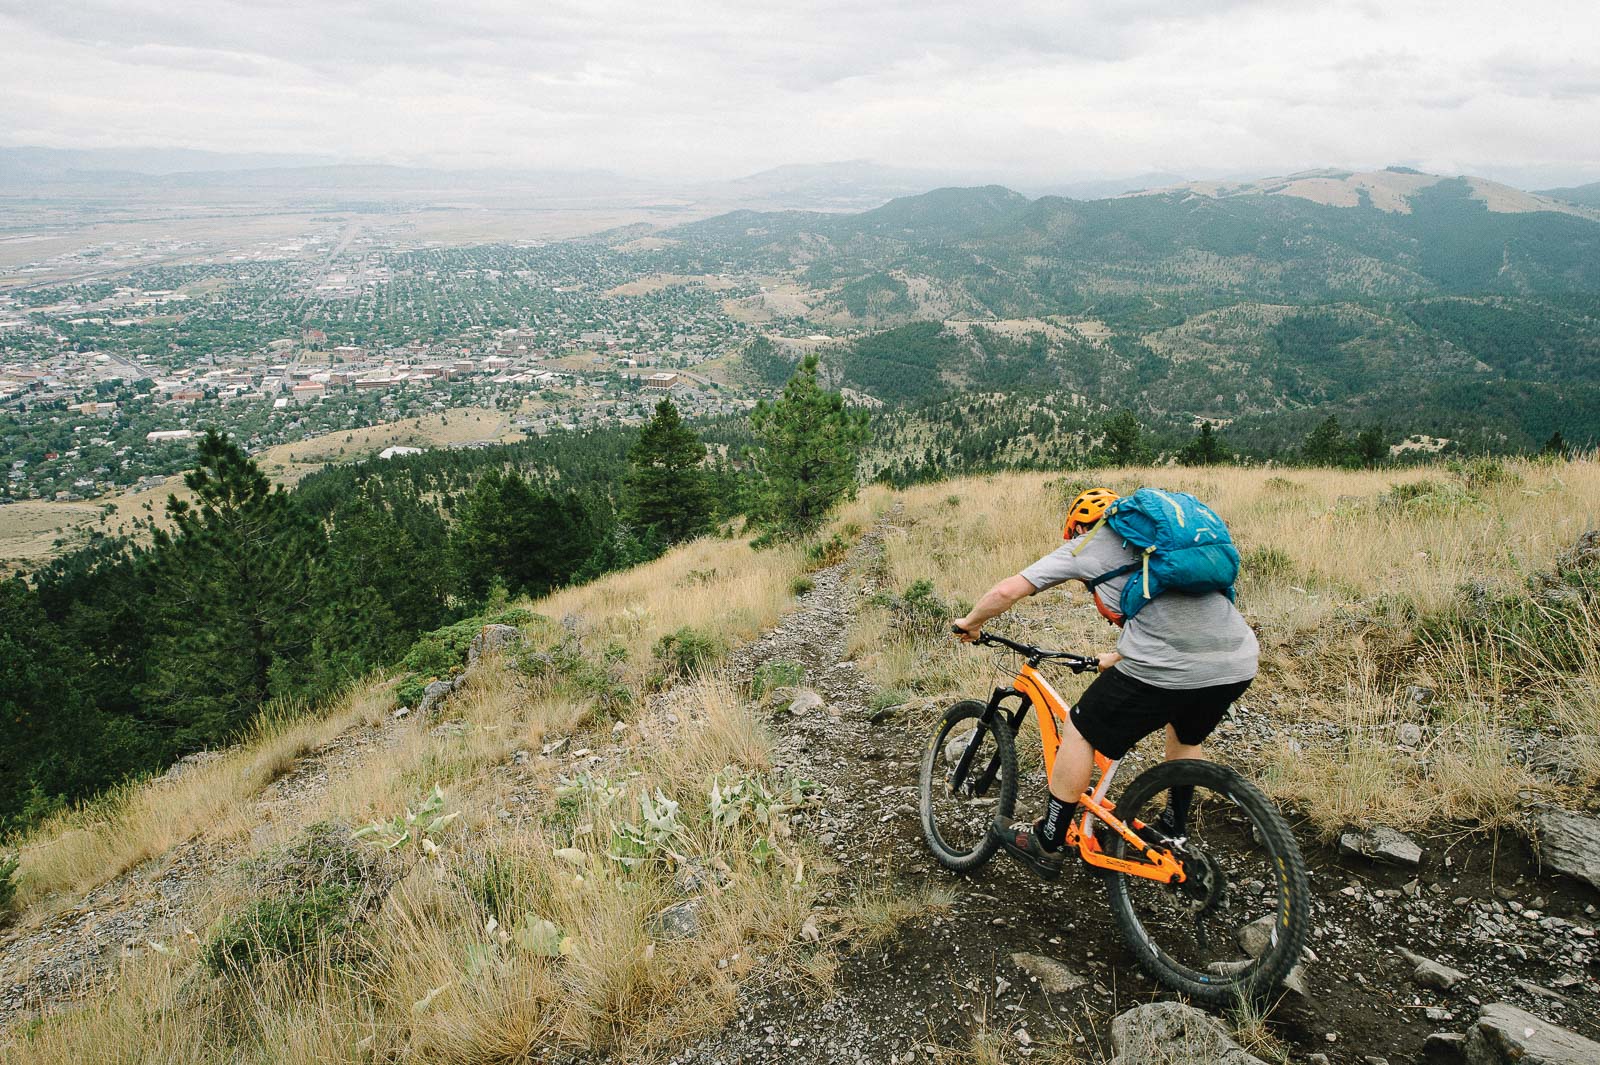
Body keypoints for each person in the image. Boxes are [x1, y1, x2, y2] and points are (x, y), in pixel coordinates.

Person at [952, 487, 1259, 879]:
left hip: (1166, 667)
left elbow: (1008, 590)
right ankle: (1173, 830)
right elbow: (1181, 618)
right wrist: (1114, 658)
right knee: (1185, 735)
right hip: (1236, 660)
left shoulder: (1087, 545)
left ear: (1078, 526)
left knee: (1081, 728)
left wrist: (971, 623)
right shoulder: (1165, 547)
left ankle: (1048, 840)